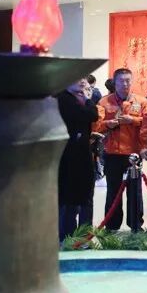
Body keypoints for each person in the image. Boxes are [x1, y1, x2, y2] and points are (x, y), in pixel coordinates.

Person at [94, 68, 147, 230]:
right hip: (112, 153)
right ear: (115, 82)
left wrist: (132, 120)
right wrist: (108, 124)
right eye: (121, 81)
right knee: (113, 191)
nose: (125, 84)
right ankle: (112, 225)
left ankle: (135, 225)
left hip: (133, 153)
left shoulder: (141, 102)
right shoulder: (104, 102)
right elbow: (97, 125)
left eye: (128, 81)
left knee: (134, 191)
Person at [56, 77, 99, 242]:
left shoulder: (78, 97)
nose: (82, 81)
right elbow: (90, 115)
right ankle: (68, 237)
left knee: (85, 195)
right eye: (77, 78)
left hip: (82, 153)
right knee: (69, 198)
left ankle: (84, 236)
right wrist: (88, 101)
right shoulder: (63, 98)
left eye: (84, 78)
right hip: (68, 156)